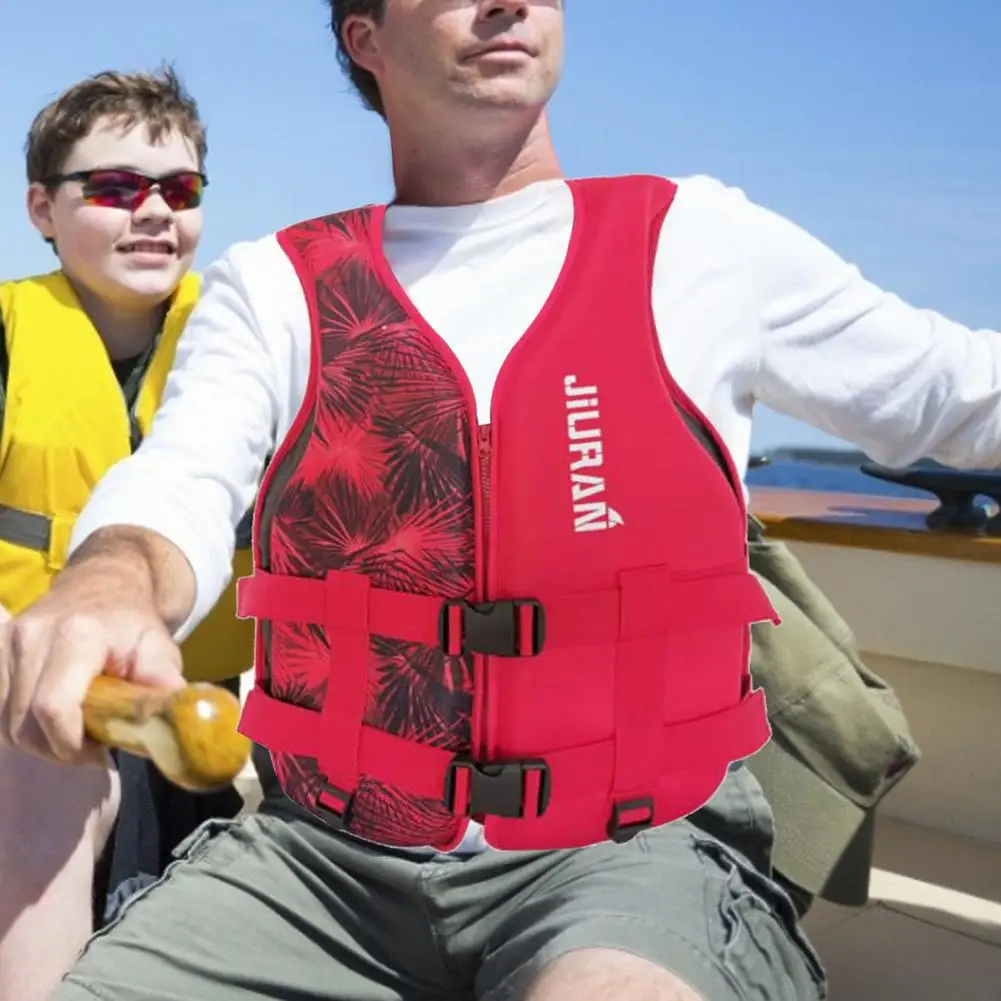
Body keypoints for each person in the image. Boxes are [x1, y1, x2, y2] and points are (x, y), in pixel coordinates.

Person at [3, 2, 1001, 998]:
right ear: (364, 38)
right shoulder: (271, 286)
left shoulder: (700, 243)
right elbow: (180, 476)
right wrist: (112, 576)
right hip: (316, 865)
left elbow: (958, 395)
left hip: (629, 850)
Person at [0, 67, 255, 1001]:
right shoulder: (9, 335)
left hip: (195, 733)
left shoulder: (246, 351)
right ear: (43, 208)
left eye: (179, 190)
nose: (153, 212)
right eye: (113, 188)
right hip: (23, 725)